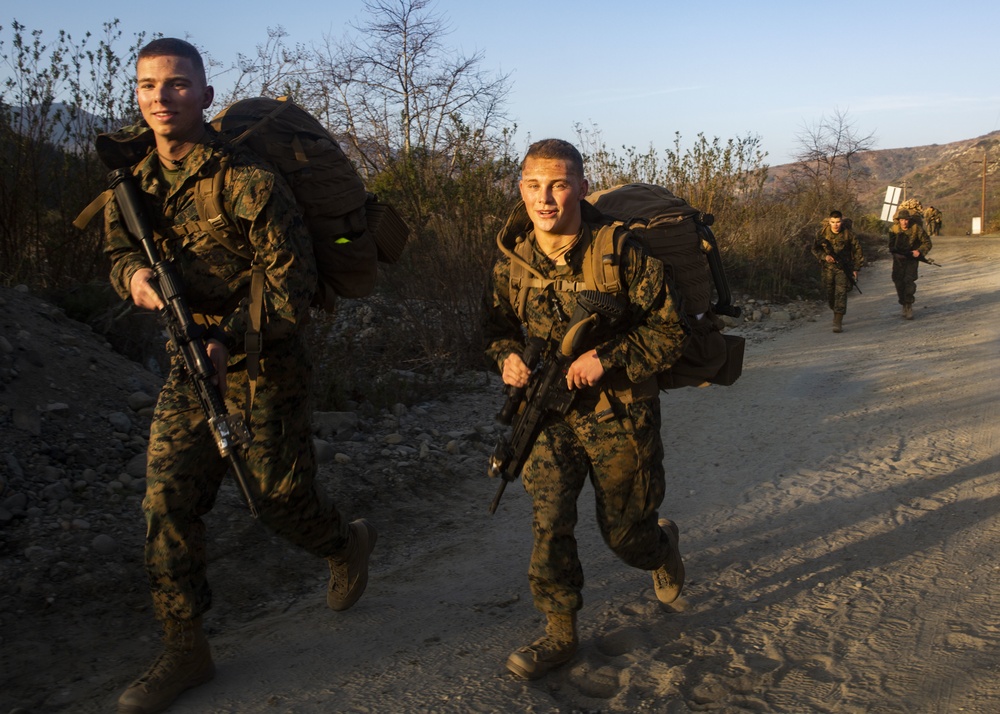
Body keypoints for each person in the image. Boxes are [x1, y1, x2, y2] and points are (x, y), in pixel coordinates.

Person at [103, 38, 376, 714]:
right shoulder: (130, 176)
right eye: (147, 86)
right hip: (185, 363)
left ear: (204, 95)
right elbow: (116, 249)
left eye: (176, 84)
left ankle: (345, 543)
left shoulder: (248, 179)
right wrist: (133, 278)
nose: (161, 98)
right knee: (167, 499)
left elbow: (291, 285)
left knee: (278, 500)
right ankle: (185, 648)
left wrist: (228, 339)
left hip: (264, 364)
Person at [481, 139, 687, 680]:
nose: (544, 198)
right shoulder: (513, 259)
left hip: (618, 413)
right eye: (533, 185)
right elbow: (496, 328)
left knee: (624, 535)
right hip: (547, 412)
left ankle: (661, 549)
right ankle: (559, 634)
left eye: (558, 184)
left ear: (581, 187)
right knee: (549, 523)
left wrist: (608, 357)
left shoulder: (621, 252)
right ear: (520, 188)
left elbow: (671, 333)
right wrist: (506, 359)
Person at [811, 210, 864, 333]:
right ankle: (835, 309)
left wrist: (856, 268)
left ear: (841, 221)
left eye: (838, 221)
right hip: (827, 269)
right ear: (829, 221)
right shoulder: (822, 234)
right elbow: (815, 249)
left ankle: (837, 320)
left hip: (843, 269)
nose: (836, 224)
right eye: (833, 222)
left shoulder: (848, 234)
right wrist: (825, 257)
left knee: (841, 293)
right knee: (830, 293)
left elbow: (858, 250)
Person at [888, 208, 933, 319]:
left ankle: (908, 305)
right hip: (898, 260)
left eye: (906, 220)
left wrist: (919, 251)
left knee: (909, 281)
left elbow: (927, 243)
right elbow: (891, 246)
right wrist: (896, 254)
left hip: (911, 260)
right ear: (899, 220)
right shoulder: (893, 229)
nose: (905, 222)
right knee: (898, 282)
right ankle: (903, 303)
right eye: (902, 220)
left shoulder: (916, 228)